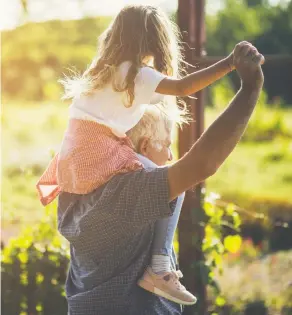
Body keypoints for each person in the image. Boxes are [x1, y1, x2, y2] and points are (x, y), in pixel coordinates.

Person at [37, 4, 264, 314]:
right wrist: (234, 68)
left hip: (75, 157)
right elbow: (196, 148)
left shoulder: (103, 72)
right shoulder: (134, 75)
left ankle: (159, 264)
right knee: (175, 184)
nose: (170, 154)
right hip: (100, 150)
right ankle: (159, 267)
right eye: (164, 144)